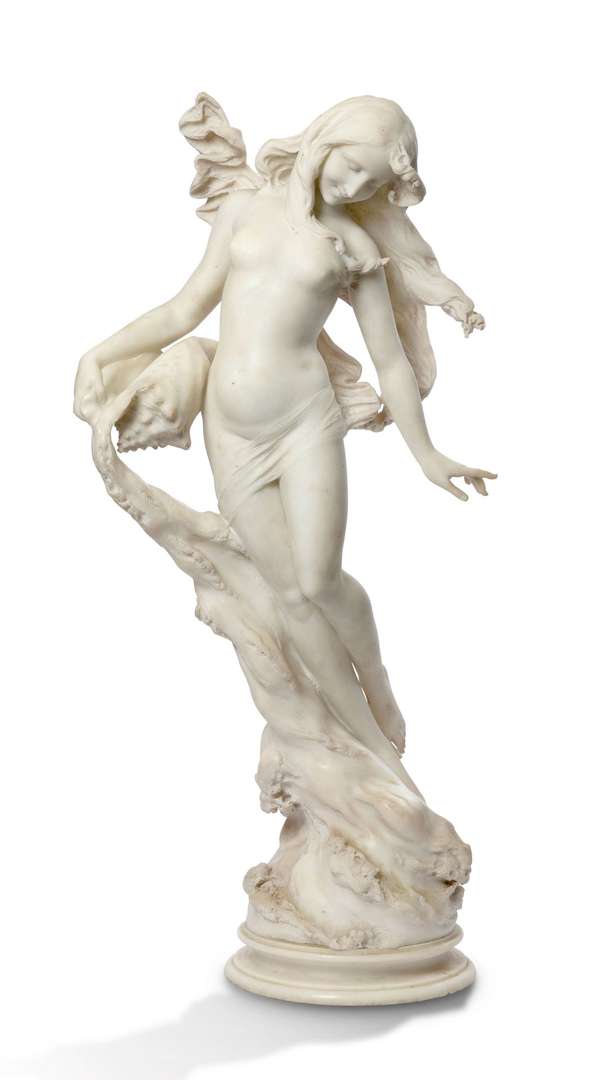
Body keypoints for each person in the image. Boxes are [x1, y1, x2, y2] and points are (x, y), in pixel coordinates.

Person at [74, 95, 495, 782]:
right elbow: (185, 307)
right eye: (350, 167)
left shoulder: (353, 245)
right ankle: (371, 748)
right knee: (288, 596)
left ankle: (377, 684)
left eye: (370, 183)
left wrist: (426, 454)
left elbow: (388, 359)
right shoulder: (245, 208)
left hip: (304, 423)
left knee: (320, 579)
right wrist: (99, 352)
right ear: (325, 140)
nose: (354, 187)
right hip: (230, 430)